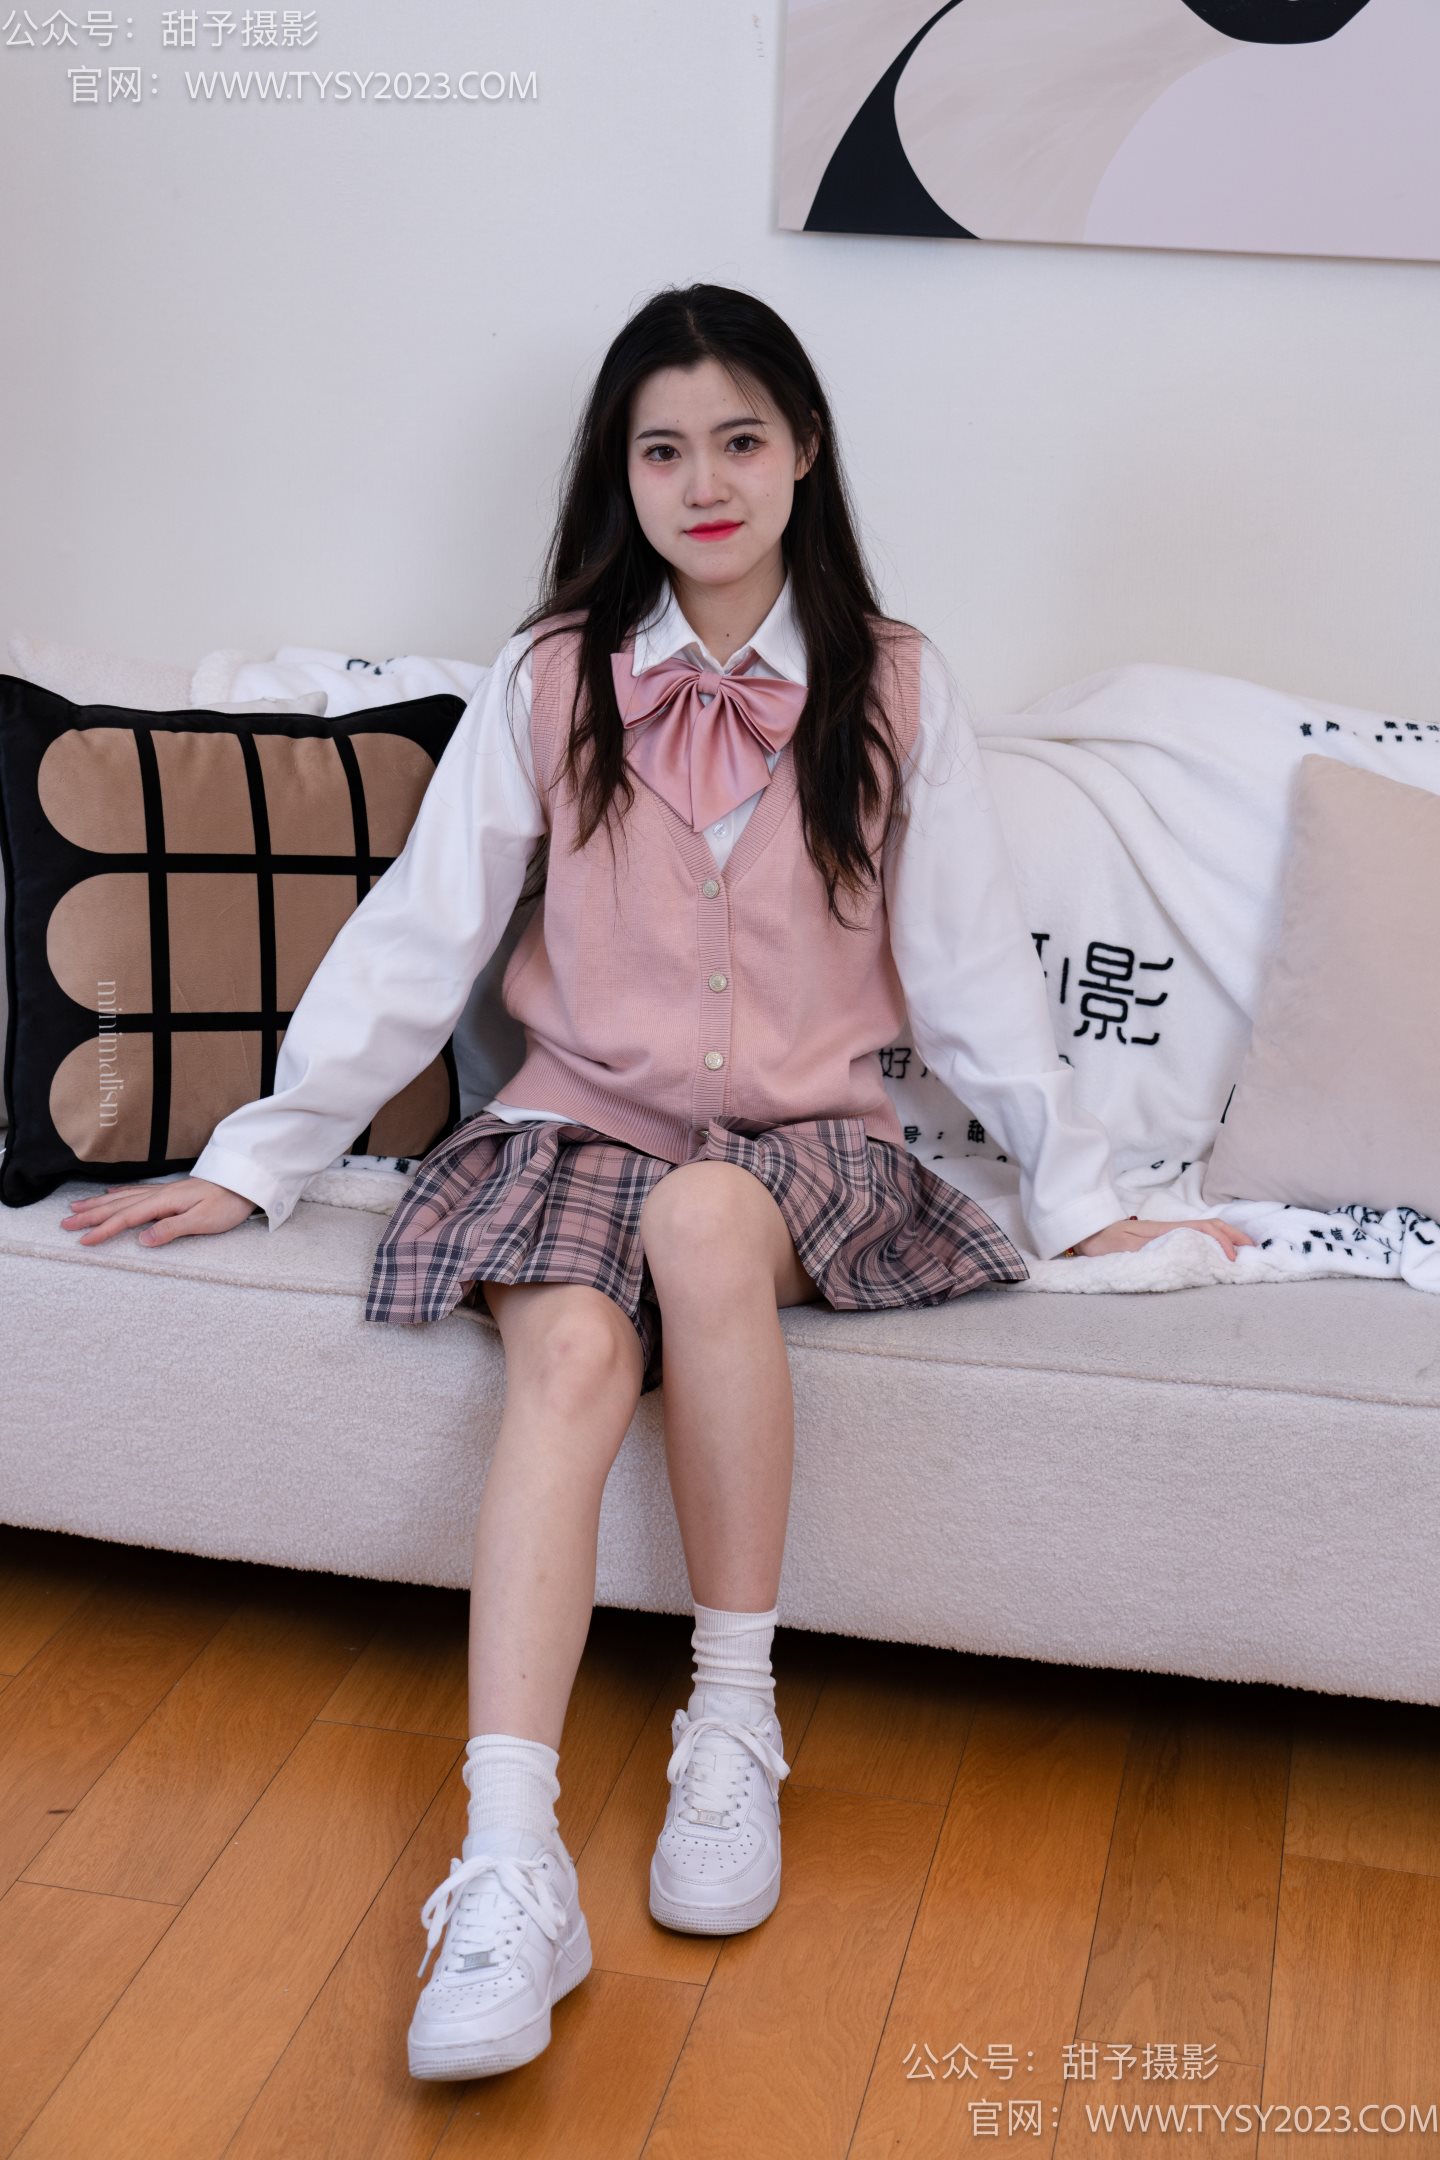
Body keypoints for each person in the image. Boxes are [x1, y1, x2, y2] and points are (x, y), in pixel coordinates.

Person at [59, 281, 1255, 2082]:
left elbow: (969, 972)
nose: (705, 483)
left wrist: (1085, 1195)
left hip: (805, 1149)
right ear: (621, 475)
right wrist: (260, 1157)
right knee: (564, 1356)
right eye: (663, 449)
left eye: (740, 441)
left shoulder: (895, 683)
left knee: (704, 1224)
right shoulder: (552, 677)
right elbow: (423, 935)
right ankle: (507, 1863)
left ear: (805, 452)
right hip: (576, 1129)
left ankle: (731, 1723)